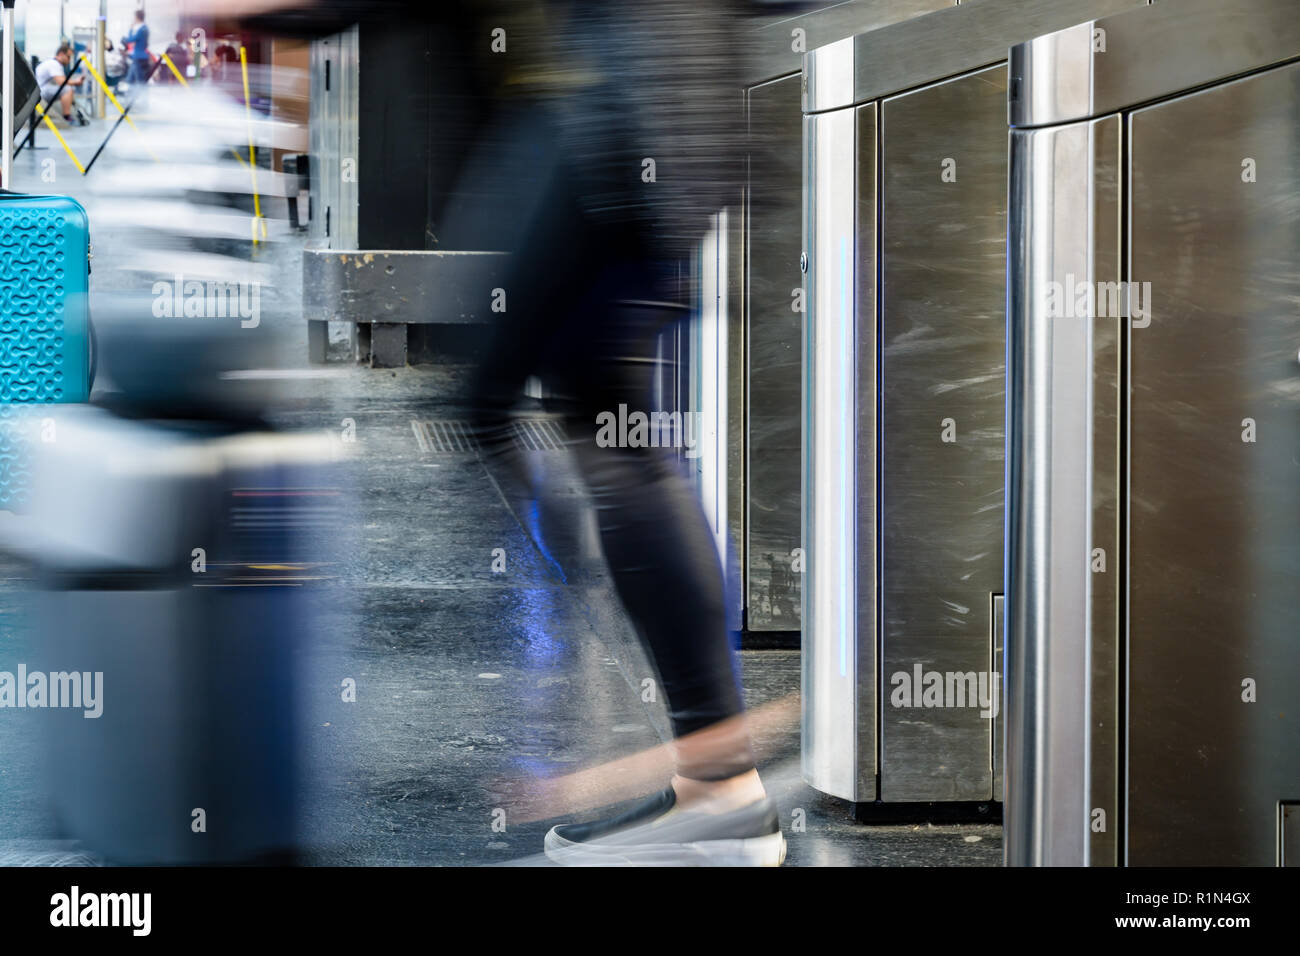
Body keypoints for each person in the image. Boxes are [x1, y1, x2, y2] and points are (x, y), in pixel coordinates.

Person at [230, 0, 782, 866]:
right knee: (603, 426)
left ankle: (647, 740)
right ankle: (711, 781)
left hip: (620, 120)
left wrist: (275, 10)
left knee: (500, 402)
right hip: (657, 115)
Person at [34, 42, 88, 126]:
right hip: (41, 92)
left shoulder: (54, 63)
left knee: (69, 89)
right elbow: (61, 82)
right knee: (67, 89)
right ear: (61, 54)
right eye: (68, 57)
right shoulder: (54, 64)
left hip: (42, 89)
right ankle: (67, 117)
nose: (69, 60)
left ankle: (73, 113)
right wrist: (76, 82)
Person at [121, 9, 152, 90]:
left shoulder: (141, 30)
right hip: (141, 56)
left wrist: (131, 29)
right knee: (130, 79)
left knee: (139, 81)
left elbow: (130, 39)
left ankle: (143, 99)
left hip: (138, 57)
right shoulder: (145, 28)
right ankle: (129, 99)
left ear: (137, 18)